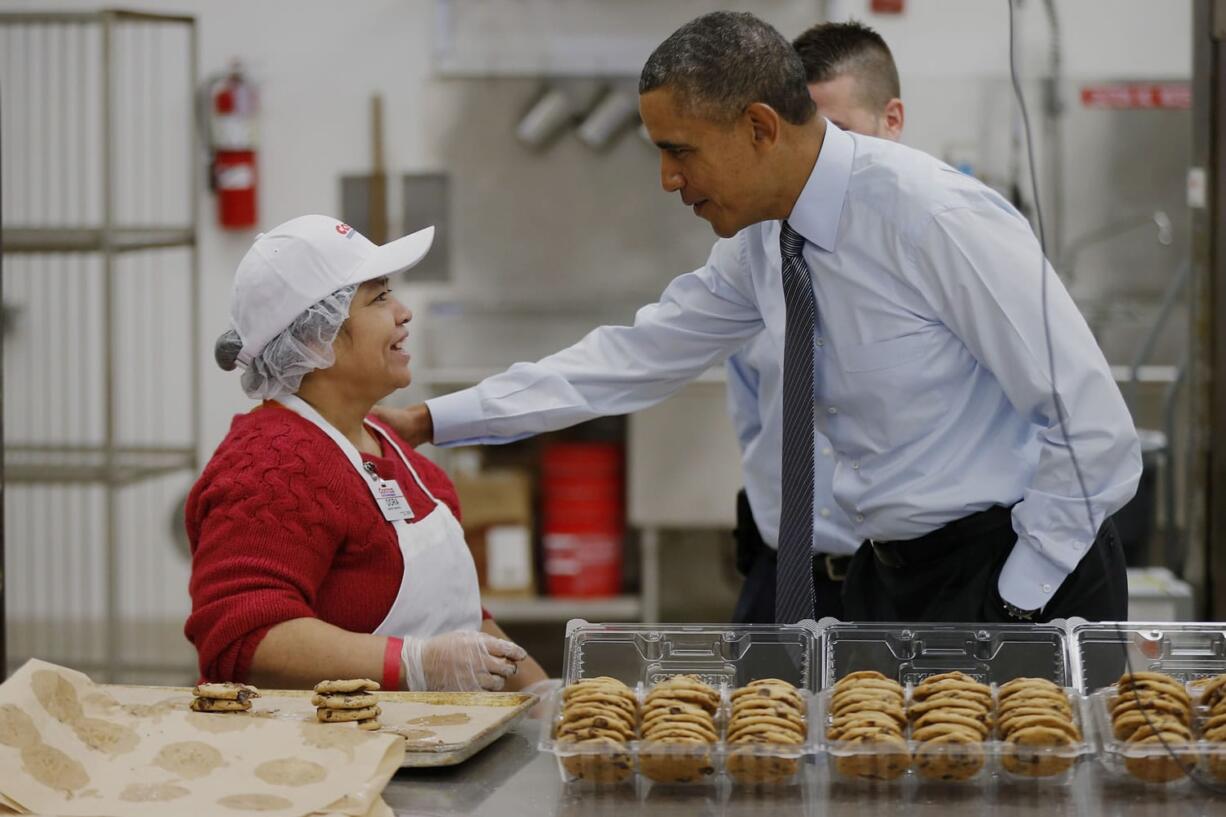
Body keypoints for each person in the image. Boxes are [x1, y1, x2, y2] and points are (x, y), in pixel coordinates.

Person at [376, 12, 1139, 625]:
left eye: (680, 152)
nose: (669, 179)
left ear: (761, 129)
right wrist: (432, 419)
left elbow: (1094, 431)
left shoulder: (932, 217)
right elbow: (631, 357)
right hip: (896, 573)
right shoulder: (767, 243)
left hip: (1020, 566)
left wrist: (1017, 594)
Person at [185, 214, 548, 690]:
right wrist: (413, 663)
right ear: (317, 336)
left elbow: (459, 622)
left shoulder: (395, 448)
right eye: (378, 297)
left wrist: (544, 699)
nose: (403, 312)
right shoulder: (271, 464)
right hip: (333, 759)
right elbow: (245, 638)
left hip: (435, 746)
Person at [727, 20, 906, 625]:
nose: (816, 165)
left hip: (906, 588)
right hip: (780, 581)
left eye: (840, 136)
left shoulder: (947, 240)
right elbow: (753, 412)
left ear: (893, 121)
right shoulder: (760, 249)